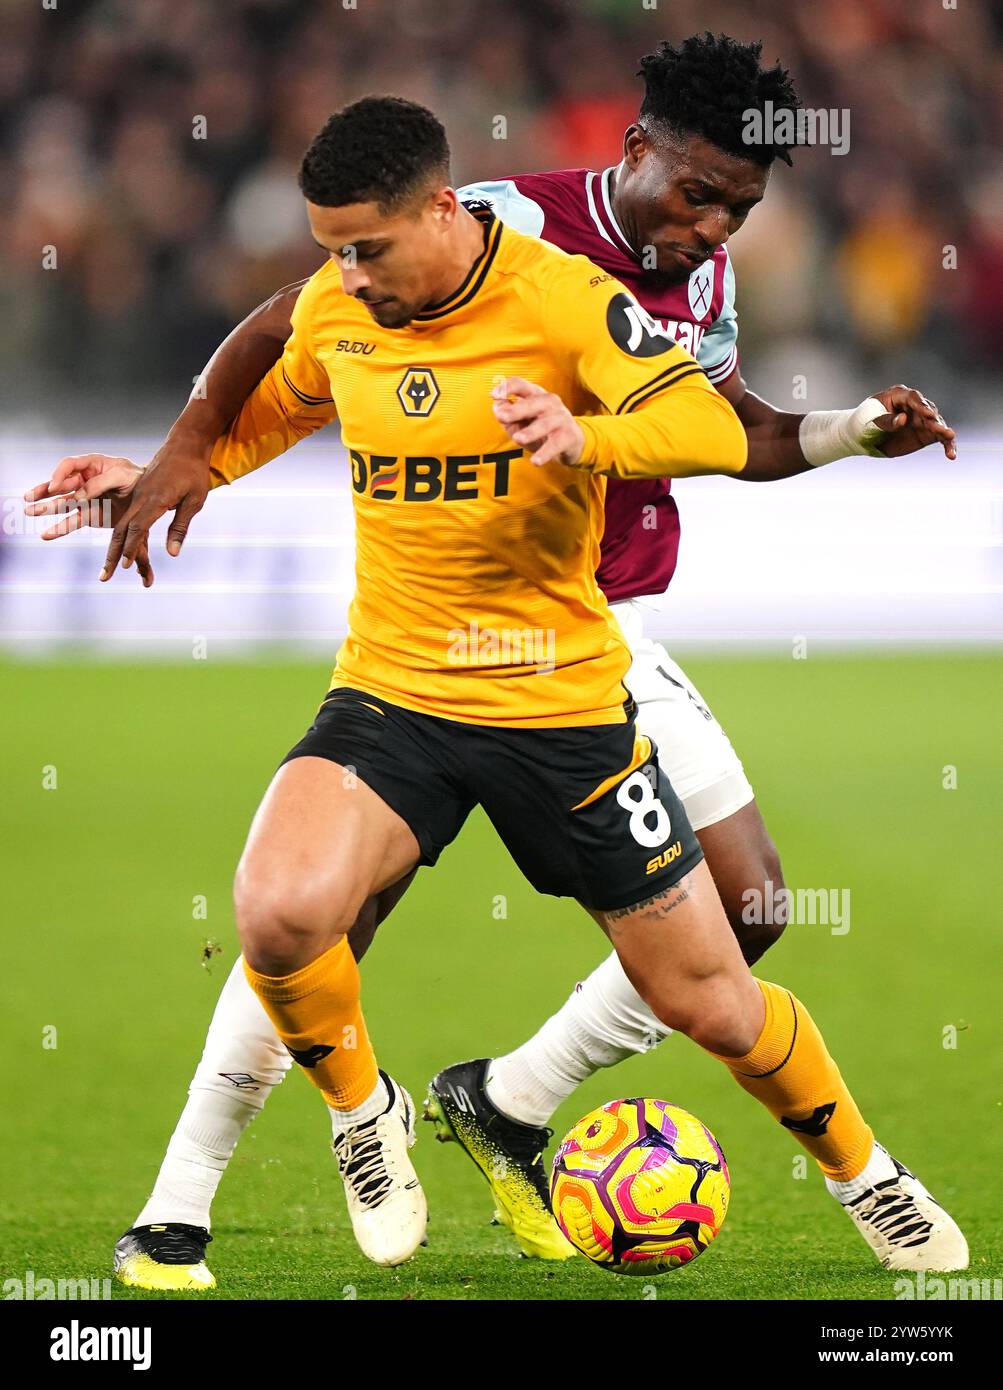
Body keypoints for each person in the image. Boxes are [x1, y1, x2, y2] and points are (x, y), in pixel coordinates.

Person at [27, 61, 963, 1290]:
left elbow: (719, 423)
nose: (709, 226)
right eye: (693, 195)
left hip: (584, 644)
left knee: (742, 922)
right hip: (416, 664)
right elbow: (289, 332)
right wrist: (184, 458)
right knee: (304, 919)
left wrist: (844, 431)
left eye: (732, 208)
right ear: (633, 150)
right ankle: (183, 1204)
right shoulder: (479, 228)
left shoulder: (664, 280)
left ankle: (513, 1101)